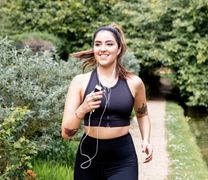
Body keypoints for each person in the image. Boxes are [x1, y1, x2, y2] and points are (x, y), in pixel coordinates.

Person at [61, 23, 152, 180]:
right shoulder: (80, 82)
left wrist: (146, 140)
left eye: (109, 44)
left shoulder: (134, 82)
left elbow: (142, 115)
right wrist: (82, 109)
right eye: (98, 44)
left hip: (123, 159)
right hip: (87, 158)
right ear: (94, 49)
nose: (102, 48)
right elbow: (66, 134)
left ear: (119, 49)